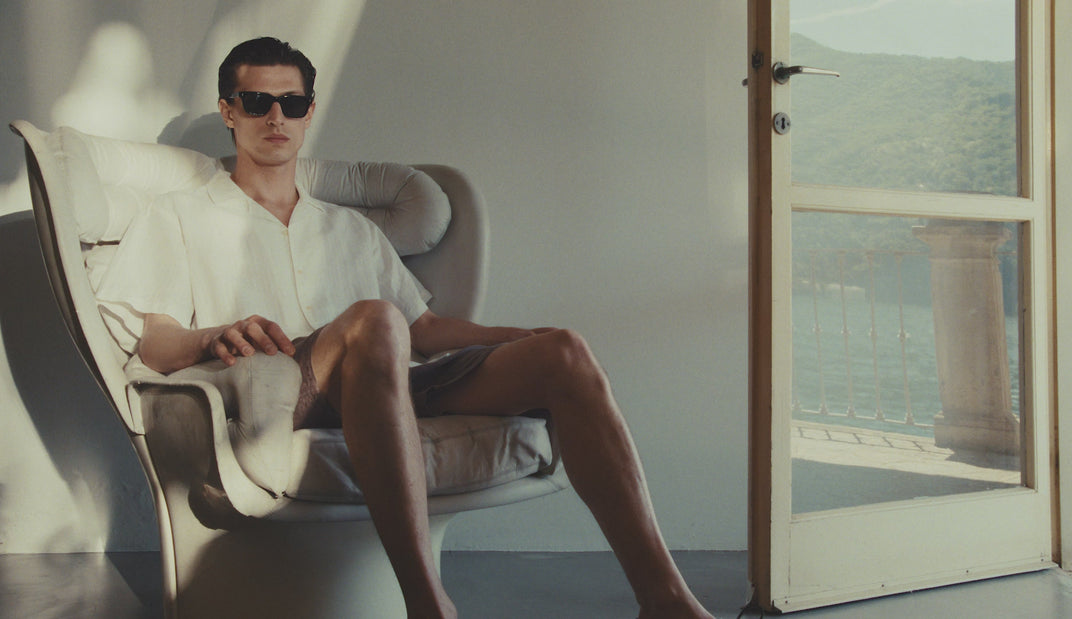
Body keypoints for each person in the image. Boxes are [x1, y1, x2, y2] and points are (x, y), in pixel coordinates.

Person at [95, 36, 713, 619]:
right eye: (257, 102)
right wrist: (210, 336)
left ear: (309, 113)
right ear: (229, 112)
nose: (275, 117)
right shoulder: (179, 215)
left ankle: (666, 600)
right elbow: (154, 341)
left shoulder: (349, 228)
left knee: (565, 352)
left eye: (292, 103)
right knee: (375, 319)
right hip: (282, 392)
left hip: (384, 380)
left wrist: (519, 338)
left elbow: (425, 328)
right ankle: (427, 603)